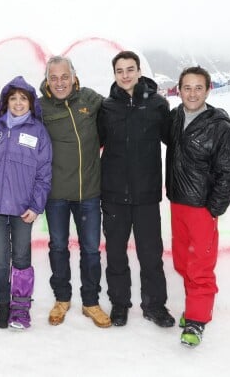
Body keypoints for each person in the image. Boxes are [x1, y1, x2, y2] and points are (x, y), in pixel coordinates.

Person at [97, 51, 175, 328]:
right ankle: (120, 304)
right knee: (116, 254)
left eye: (131, 69)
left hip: (146, 195)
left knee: (151, 255)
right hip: (114, 194)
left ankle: (155, 305)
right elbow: (94, 143)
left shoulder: (157, 104)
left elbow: (174, 142)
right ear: (115, 74)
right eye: (120, 70)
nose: (126, 75)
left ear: (139, 71)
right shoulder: (106, 107)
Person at [165, 66, 230, 347]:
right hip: (177, 204)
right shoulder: (174, 119)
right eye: (187, 87)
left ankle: (197, 321)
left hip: (201, 208)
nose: (192, 93)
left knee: (200, 266)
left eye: (199, 87)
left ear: (208, 89)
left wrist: (214, 208)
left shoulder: (219, 127)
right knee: (184, 261)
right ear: (179, 90)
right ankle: (192, 309)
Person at [38, 55, 111, 328]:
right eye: (53, 77)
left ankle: (91, 302)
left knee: (91, 250)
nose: (59, 83)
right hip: (55, 194)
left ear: (74, 76)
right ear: (47, 80)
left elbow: (117, 110)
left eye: (64, 77)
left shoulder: (90, 100)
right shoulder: (40, 107)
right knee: (58, 247)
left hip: (89, 192)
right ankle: (62, 299)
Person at [0, 76, 52, 330]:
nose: (18, 103)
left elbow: (44, 173)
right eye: (13, 98)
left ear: (31, 103)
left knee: (21, 257)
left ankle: (20, 308)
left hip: (23, 209)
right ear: (5, 101)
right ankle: (3, 305)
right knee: (0, 259)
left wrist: (36, 206)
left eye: (24, 99)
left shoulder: (38, 131)